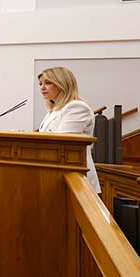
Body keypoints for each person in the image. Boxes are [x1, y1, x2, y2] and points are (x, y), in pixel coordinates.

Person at [37, 66, 101, 194]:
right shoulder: (54, 110)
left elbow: (63, 142)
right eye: (40, 84)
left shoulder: (76, 107)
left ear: (62, 84)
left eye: (48, 83)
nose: (42, 87)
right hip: (55, 172)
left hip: (76, 178)